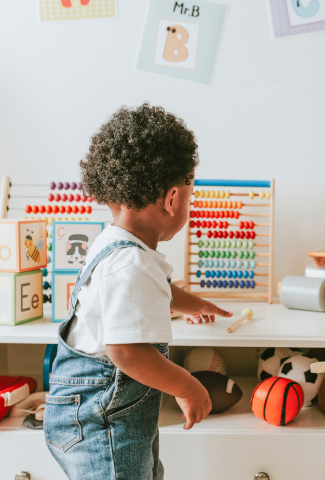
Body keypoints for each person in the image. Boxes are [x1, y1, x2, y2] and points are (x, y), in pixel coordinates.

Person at [44, 103, 232, 480]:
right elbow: (127, 352)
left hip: (106, 413)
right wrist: (188, 386)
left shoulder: (116, 245)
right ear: (173, 198)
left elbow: (159, 289)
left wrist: (194, 304)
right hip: (104, 422)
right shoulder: (131, 265)